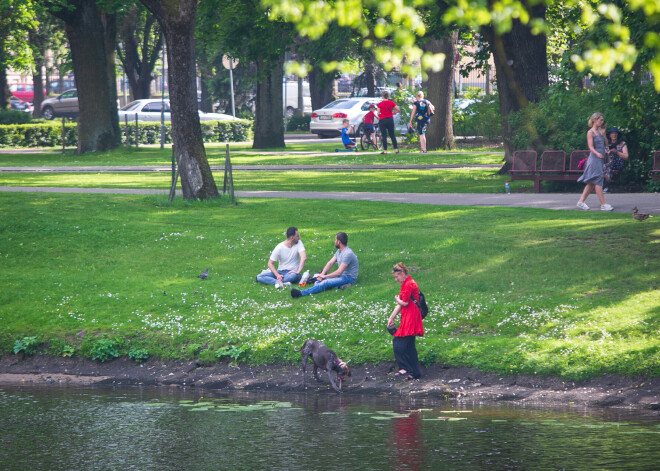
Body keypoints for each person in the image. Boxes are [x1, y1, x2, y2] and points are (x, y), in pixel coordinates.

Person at [291, 232, 358, 298]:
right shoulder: (339, 251)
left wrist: (325, 276)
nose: (334, 241)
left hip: (349, 277)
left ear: (339, 242)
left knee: (325, 283)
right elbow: (330, 263)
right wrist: (322, 274)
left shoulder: (348, 253)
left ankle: (300, 293)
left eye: (335, 240)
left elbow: (339, 272)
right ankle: (340, 286)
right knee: (318, 281)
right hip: (341, 276)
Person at [387, 263, 424, 380]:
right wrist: (391, 317)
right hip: (408, 316)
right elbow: (401, 304)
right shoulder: (405, 284)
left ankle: (405, 368)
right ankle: (415, 373)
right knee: (409, 347)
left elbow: (404, 303)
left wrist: (397, 299)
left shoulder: (409, 284)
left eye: (397, 277)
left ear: (402, 274)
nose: (396, 279)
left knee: (398, 343)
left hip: (411, 317)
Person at [577, 112, 613, 211]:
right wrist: (597, 154)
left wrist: (604, 134)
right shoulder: (590, 132)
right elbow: (591, 147)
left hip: (600, 159)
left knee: (592, 182)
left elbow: (605, 143)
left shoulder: (600, 131)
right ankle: (603, 204)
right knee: (598, 180)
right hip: (594, 159)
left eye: (602, 120)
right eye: (600, 119)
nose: (602, 121)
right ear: (594, 120)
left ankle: (580, 202)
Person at [603, 126, 629, 192]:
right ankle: (604, 187)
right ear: (609, 135)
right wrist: (607, 152)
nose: (614, 135)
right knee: (605, 167)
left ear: (617, 134)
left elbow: (626, 156)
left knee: (607, 166)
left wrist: (617, 152)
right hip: (609, 163)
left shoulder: (622, 143)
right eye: (612, 133)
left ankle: (605, 187)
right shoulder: (607, 144)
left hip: (618, 163)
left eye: (615, 133)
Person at [377, 90, 400, 155]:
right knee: (392, 135)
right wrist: (392, 113)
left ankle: (385, 151)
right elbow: (397, 109)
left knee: (384, 135)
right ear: (387, 96)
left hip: (383, 120)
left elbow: (378, 113)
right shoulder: (391, 103)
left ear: (382, 96)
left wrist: (380, 115)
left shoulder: (380, 104)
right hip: (390, 119)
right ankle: (396, 149)